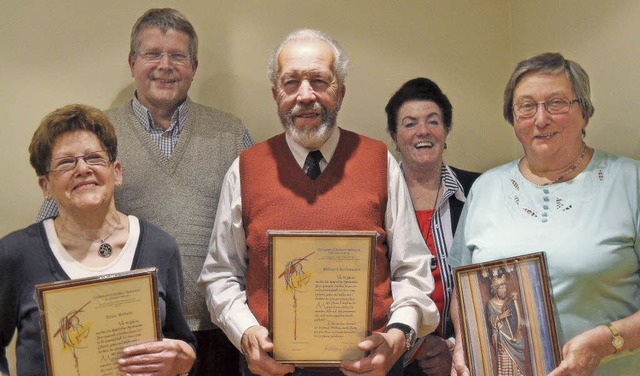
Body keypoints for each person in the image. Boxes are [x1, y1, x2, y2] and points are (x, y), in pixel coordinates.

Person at [198, 29, 440, 376]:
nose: (305, 95)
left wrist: (399, 335)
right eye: (291, 82)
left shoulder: (378, 161)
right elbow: (221, 274)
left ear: (339, 92)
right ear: (275, 93)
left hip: (370, 367)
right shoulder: (246, 168)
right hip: (272, 369)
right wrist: (246, 333)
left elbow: (411, 268)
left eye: (319, 81)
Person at [35, 8, 252, 374]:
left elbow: (255, 225)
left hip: (220, 332)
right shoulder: (96, 137)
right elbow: (48, 230)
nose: (165, 65)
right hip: (127, 336)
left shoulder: (231, 134)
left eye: (178, 56)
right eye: (153, 54)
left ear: (194, 66)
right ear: (133, 62)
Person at [448, 52, 640, 375]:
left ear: (585, 114)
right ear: (513, 119)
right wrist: (465, 343)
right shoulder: (485, 187)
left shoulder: (630, 181)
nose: (540, 119)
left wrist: (606, 342)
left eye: (556, 103)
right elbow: (463, 288)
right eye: (526, 106)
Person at [0, 104, 195, 376]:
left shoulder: (160, 247)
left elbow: (181, 341)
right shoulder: (15, 253)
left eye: (94, 158)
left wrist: (185, 359)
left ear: (116, 172)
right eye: (66, 162)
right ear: (46, 186)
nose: (82, 169)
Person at [385, 78, 480, 376]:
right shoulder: (376, 198)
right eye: (410, 123)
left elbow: (487, 280)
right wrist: (415, 345)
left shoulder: (478, 190)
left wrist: (454, 346)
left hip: (464, 358)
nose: (423, 131)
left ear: (446, 130)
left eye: (433, 121)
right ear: (394, 136)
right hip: (393, 359)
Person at [485, 271, 527, 375]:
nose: (505, 290)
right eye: (501, 288)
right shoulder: (491, 303)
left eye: (505, 288)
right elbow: (491, 319)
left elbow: (516, 318)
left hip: (513, 336)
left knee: (518, 364)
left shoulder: (508, 302)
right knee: (505, 361)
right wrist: (500, 316)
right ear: (495, 290)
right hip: (502, 338)